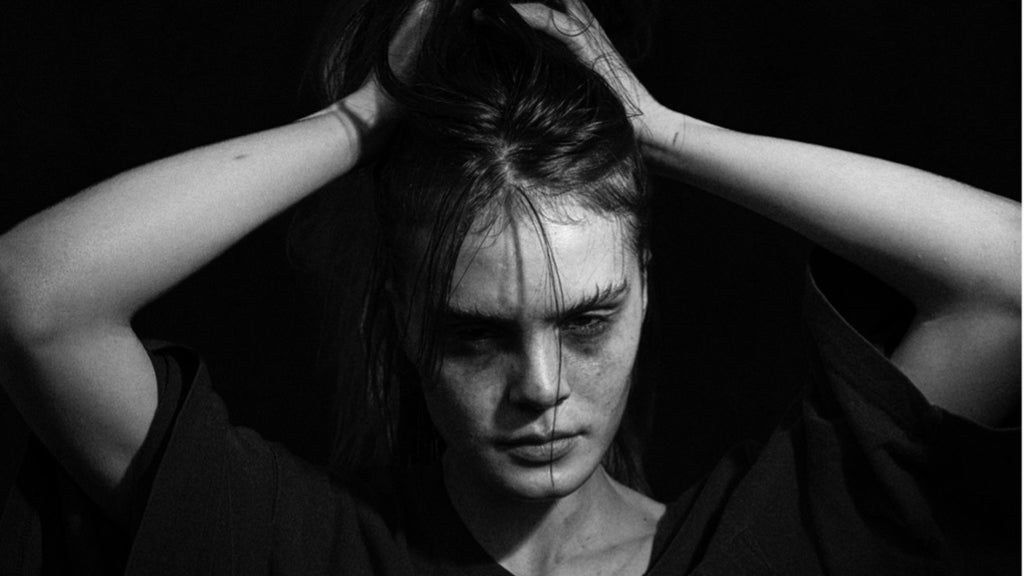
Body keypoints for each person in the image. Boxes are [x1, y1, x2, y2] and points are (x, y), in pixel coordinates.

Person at [0, 0, 1018, 574]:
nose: (541, 386)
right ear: (404, 321)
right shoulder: (312, 553)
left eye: (588, 320)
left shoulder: (772, 548)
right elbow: (32, 298)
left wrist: (662, 132)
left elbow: (1008, 282)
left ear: (645, 285)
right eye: (476, 334)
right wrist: (364, 117)